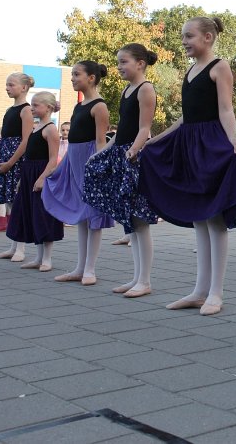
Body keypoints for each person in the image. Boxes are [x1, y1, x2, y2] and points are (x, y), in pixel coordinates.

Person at [141, 17, 236, 315]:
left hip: (210, 143)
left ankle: (216, 292)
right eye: (183, 37)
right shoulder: (190, 70)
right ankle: (199, 290)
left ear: (209, 37)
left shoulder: (220, 67)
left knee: (214, 218)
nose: (185, 41)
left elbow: (226, 109)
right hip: (190, 142)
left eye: (190, 36)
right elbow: (185, 117)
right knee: (199, 219)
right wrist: (156, 140)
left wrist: (233, 141)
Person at [83, 44, 158, 298]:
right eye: (118, 62)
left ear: (140, 63)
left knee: (140, 219)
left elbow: (144, 128)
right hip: (122, 152)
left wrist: (133, 151)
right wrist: (103, 151)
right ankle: (137, 277)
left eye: (124, 62)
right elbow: (122, 130)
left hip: (134, 157)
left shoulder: (145, 89)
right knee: (131, 221)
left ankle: (145, 280)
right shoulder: (128, 90)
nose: (119, 67)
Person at [44, 61, 112, 286]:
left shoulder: (99, 106)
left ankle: (90, 269)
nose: (72, 78)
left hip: (89, 158)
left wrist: (99, 169)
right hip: (75, 158)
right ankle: (80, 267)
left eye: (76, 74)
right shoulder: (79, 106)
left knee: (92, 214)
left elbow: (101, 141)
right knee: (82, 216)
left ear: (91, 78)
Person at [5, 91, 62, 271]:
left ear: (49, 107)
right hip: (29, 173)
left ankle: (47, 259)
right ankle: (38, 258)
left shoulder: (51, 129)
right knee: (33, 215)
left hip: (41, 173)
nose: (32, 108)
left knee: (44, 216)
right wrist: (23, 179)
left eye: (36, 105)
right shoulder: (36, 127)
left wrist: (42, 178)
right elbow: (29, 155)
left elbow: (53, 158)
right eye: (32, 104)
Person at [0, 73, 35, 256]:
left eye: (11, 84)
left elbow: (25, 141)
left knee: (17, 202)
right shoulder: (10, 110)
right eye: (6, 84)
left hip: (15, 160)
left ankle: (21, 247)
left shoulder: (26, 110)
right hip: (5, 155)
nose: (7, 88)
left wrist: (10, 162)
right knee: (9, 203)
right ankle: (13, 245)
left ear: (23, 87)